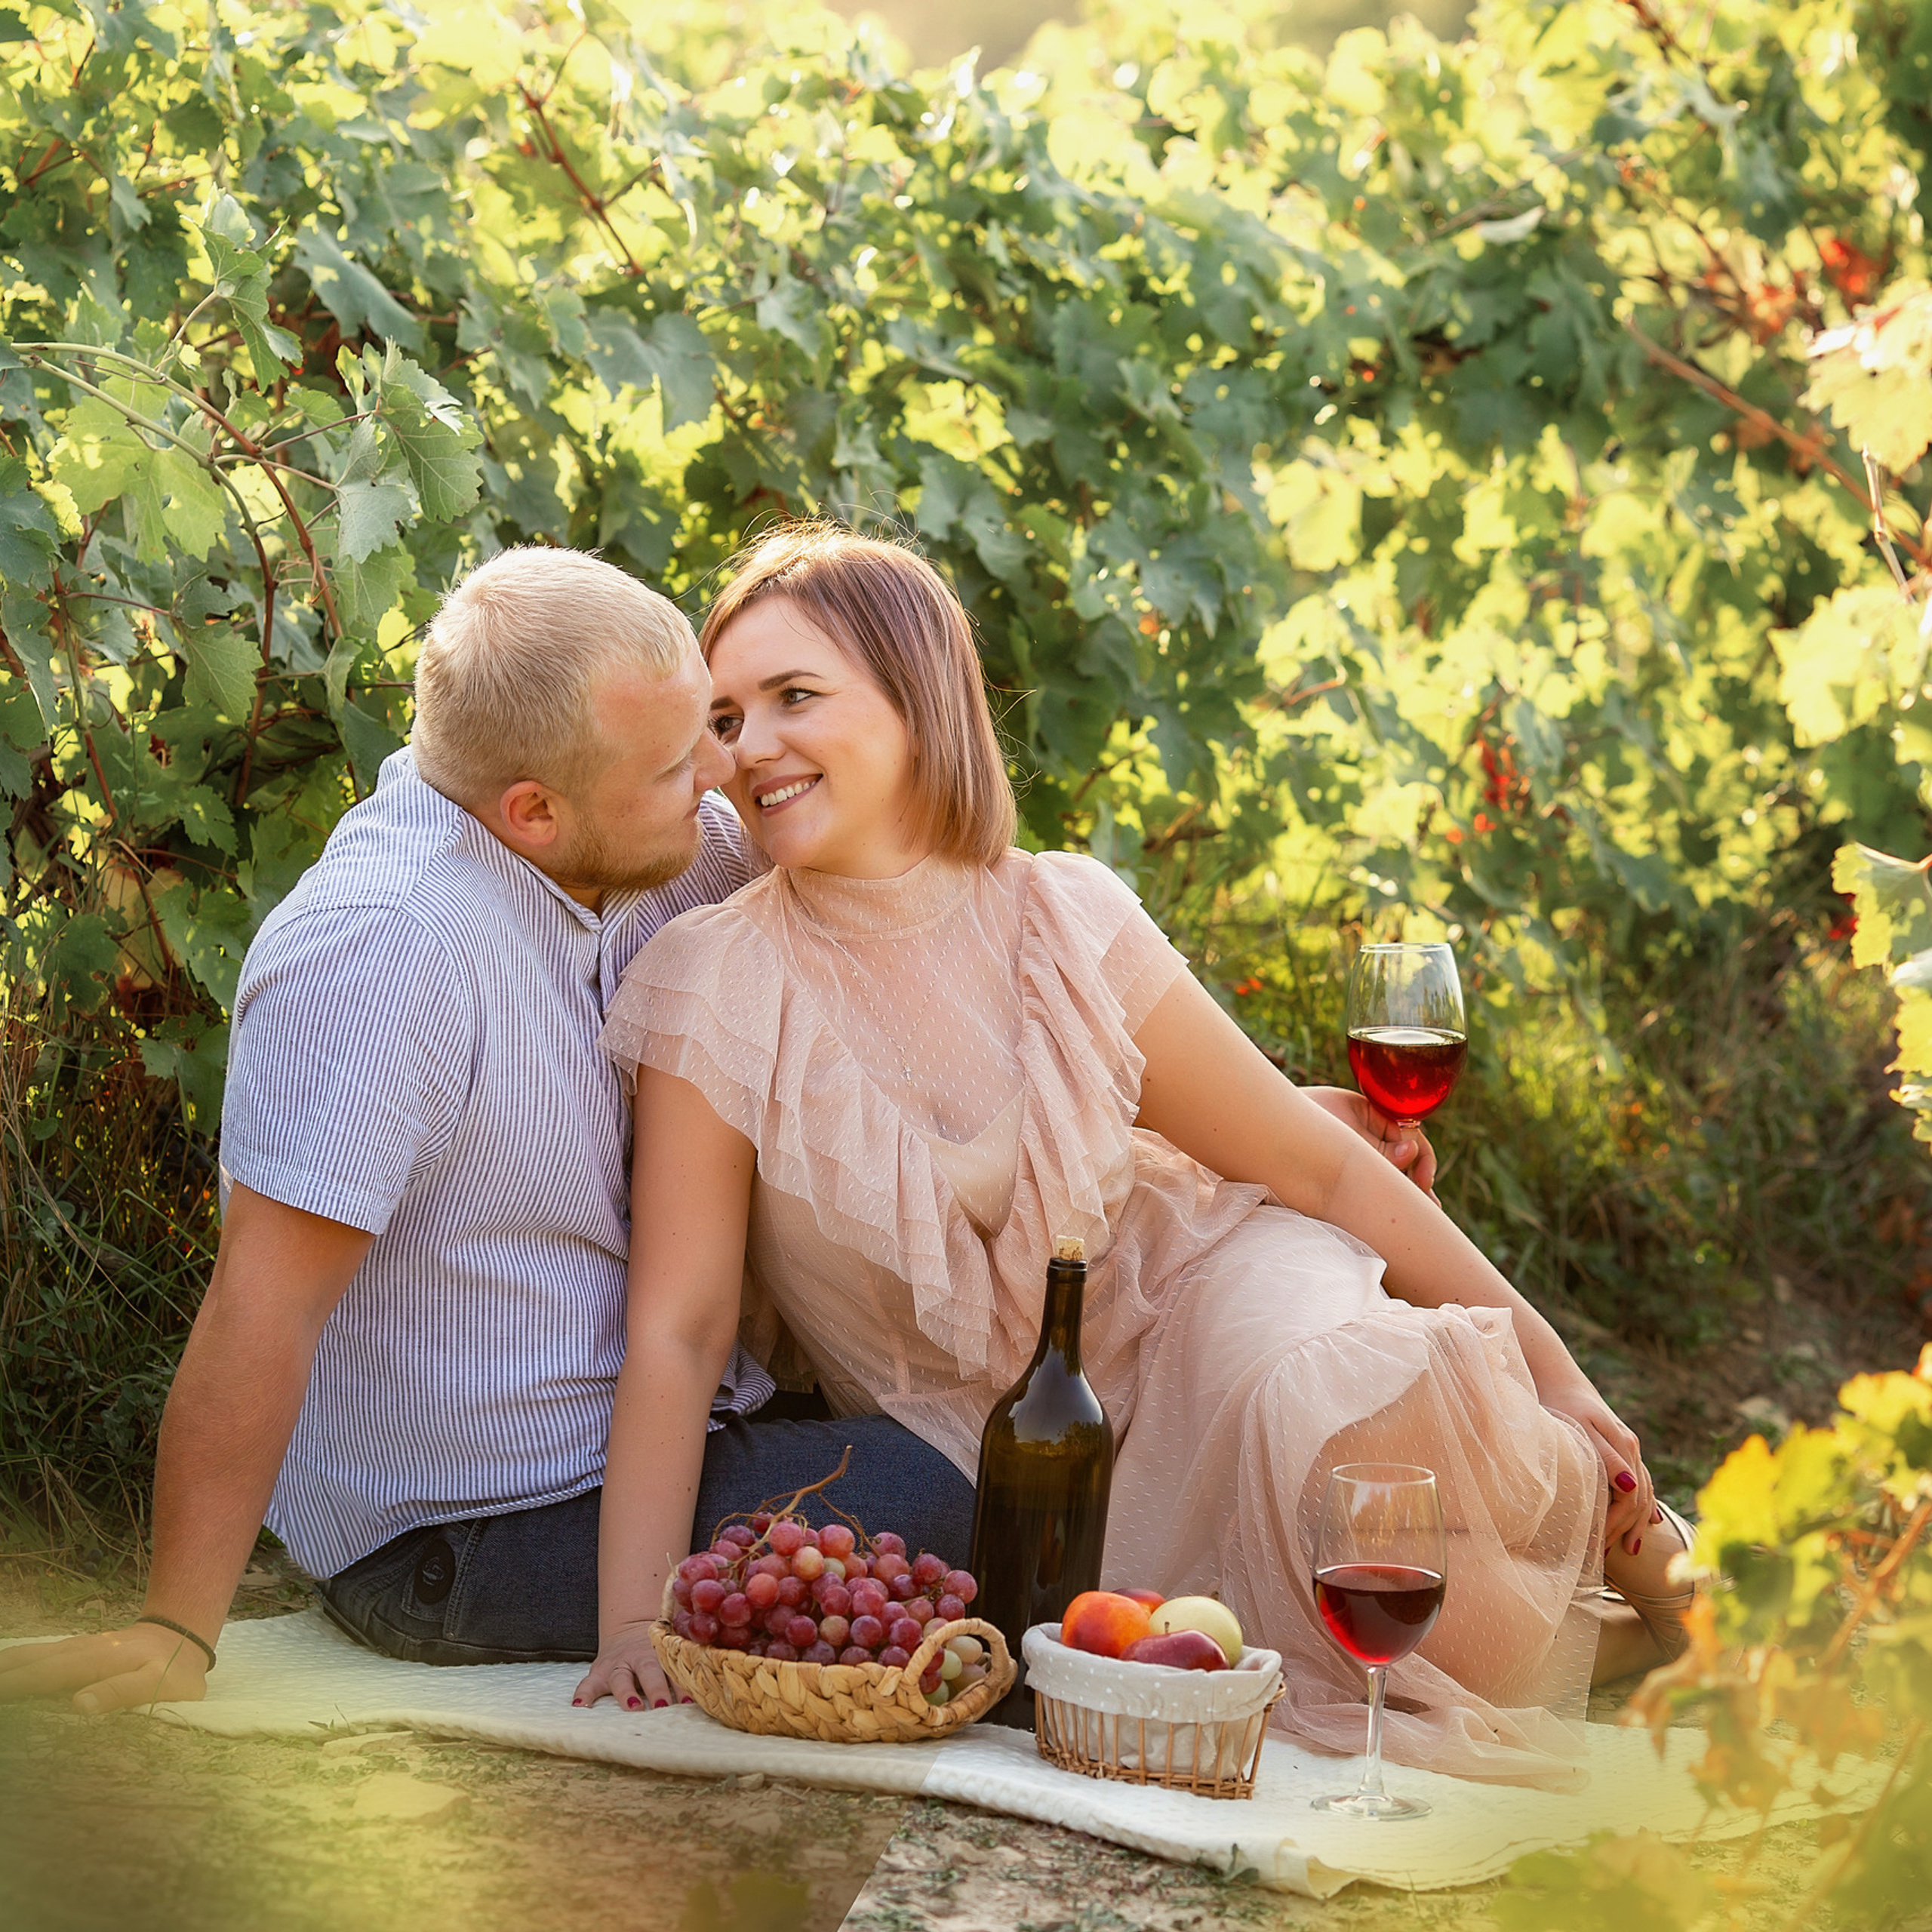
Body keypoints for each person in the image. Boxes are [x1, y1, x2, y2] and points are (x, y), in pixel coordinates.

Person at [581, 524, 1693, 1783]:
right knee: (1384, 1656)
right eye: (727, 716)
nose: (754, 747)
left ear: (917, 699)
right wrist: (635, 1620)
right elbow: (676, 1327)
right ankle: (1630, 1614)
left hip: (1204, 1303)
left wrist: (1561, 1375)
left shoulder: (1067, 913)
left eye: (795, 697)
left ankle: (1653, 1583)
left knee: (1313, 1401)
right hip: (1014, 1449)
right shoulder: (715, 985)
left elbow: (1317, 1168)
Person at [0, 546, 974, 1719]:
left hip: (664, 1436)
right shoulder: (386, 953)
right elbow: (265, 1304)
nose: (725, 771)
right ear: (534, 815)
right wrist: (175, 1627)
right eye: (681, 762)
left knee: (983, 1431)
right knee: (960, 1491)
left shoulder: (661, 841)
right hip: (469, 1531)